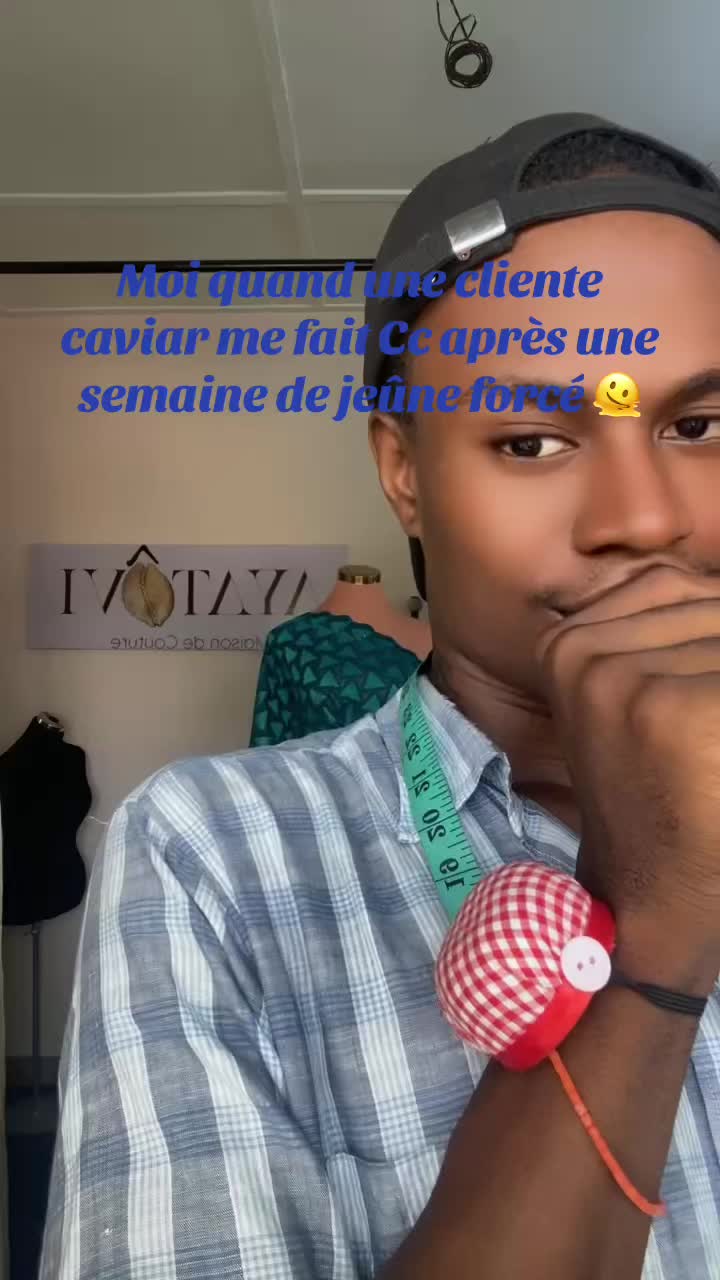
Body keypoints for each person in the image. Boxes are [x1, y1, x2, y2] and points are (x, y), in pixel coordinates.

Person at [40, 113, 720, 1280]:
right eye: (531, 440)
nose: (645, 517)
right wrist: (650, 938)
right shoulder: (214, 854)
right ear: (405, 475)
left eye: (701, 425)